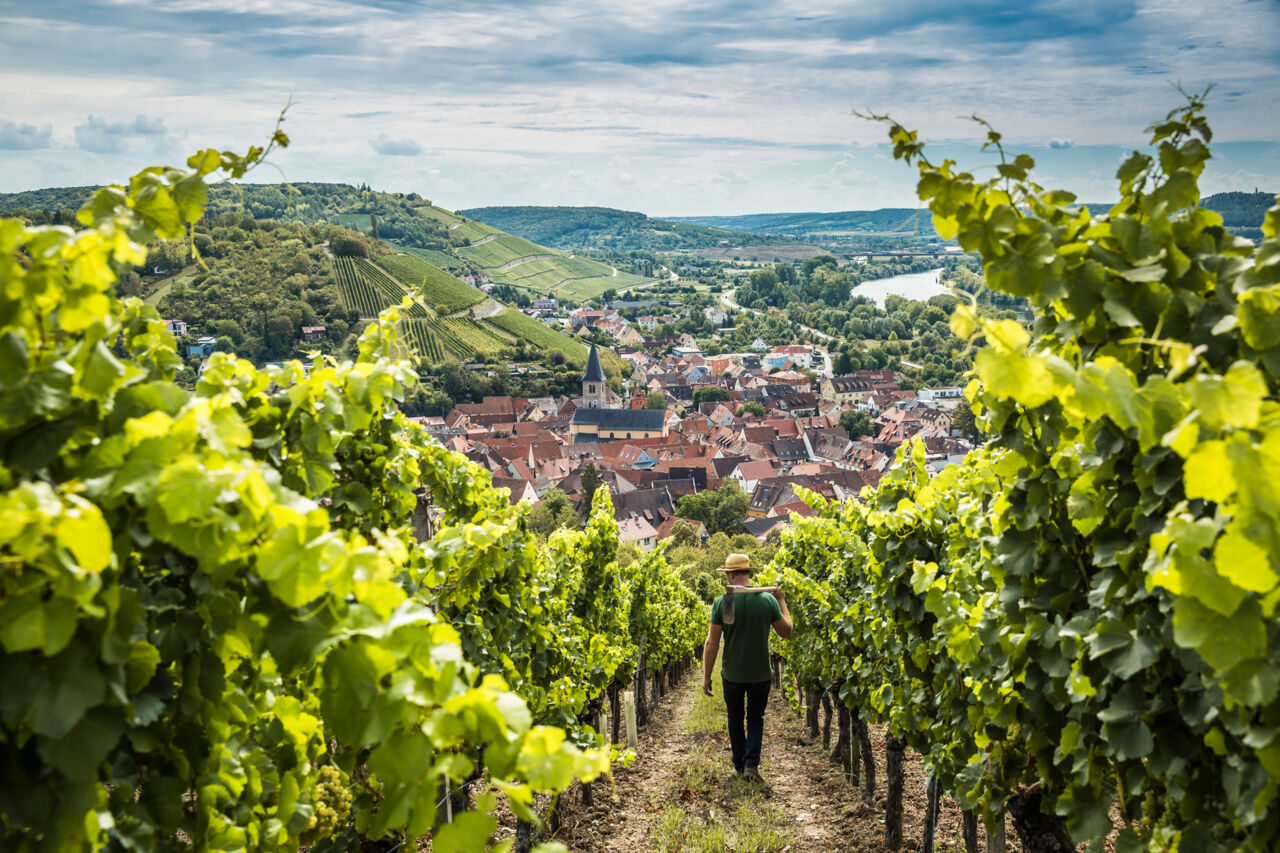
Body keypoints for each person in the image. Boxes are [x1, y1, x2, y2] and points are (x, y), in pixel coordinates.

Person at [702, 553, 791, 783]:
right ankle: (751, 765)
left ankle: (740, 766)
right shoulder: (767, 600)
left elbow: (712, 643)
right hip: (760, 674)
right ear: (748, 573)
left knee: (735, 717)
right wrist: (781, 600)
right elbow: (786, 631)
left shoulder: (723, 602)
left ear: (731, 574)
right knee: (755, 718)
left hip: (732, 674)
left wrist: (706, 676)